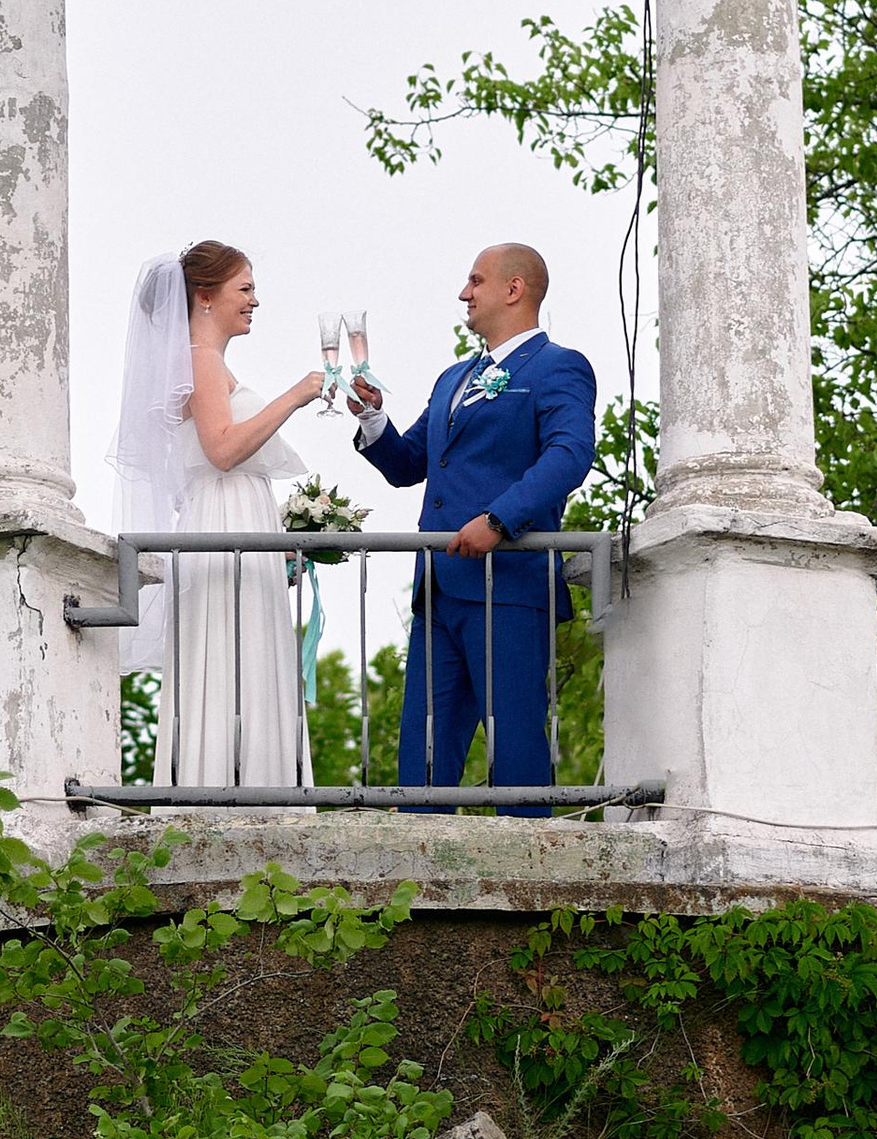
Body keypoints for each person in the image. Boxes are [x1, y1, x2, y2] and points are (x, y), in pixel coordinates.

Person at [348, 243, 597, 809]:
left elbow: (569, 455)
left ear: (514, 289)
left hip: (507, 583)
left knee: (514, 747)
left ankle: (531, 873)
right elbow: (410, 464)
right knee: (423, 750)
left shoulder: (559, 366)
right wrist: (373, 418)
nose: (464, 293)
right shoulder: (453, 378)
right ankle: (414, 872)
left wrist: (499, 519)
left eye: (476, 281)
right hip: (437, 589)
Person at [110, 244, 326, 791]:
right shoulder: (199, 360)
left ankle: (255, 783)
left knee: (251, 652)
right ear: (205, 296)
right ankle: (230, 787)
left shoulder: (210, 363)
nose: (256, 300)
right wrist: (295, 396)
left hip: (238, 513)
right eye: (245, 289)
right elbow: (222, 450)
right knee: (232, 655)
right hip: (223, 516)